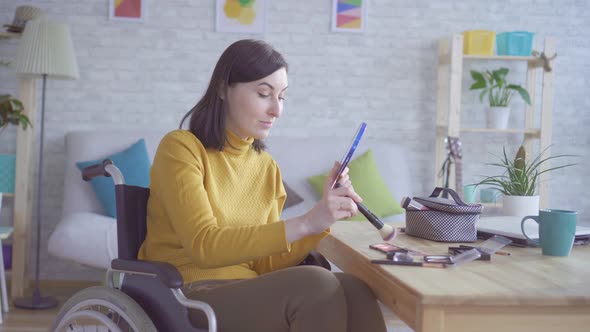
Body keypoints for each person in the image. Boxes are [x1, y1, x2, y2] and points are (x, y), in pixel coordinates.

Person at [138, 39, 386, 332]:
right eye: (264, 94)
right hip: (188, 294)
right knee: (315, 285)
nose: (276, 110)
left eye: (282, 97)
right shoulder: (181, 148)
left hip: (247, 289)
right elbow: (203, 245)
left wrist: (322, 219)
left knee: (355, 289)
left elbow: (264, 263)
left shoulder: (266, 167)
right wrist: (306, 222)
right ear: (222, 89)